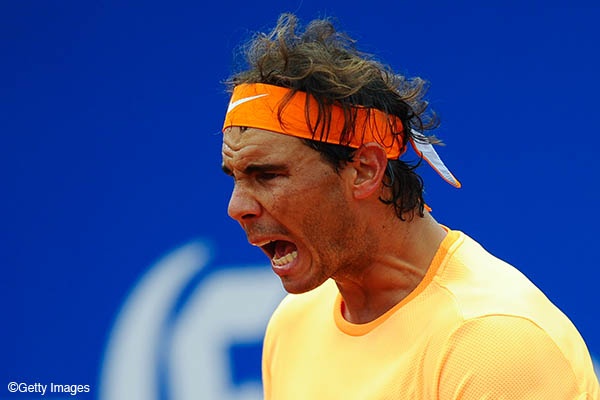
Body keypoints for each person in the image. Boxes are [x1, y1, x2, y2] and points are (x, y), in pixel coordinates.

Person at [219, 13, 599, 399]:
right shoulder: (292, 324)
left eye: (267, 175)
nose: (237, 207)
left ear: (365, 170)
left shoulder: (495, 341)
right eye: (234, 177)